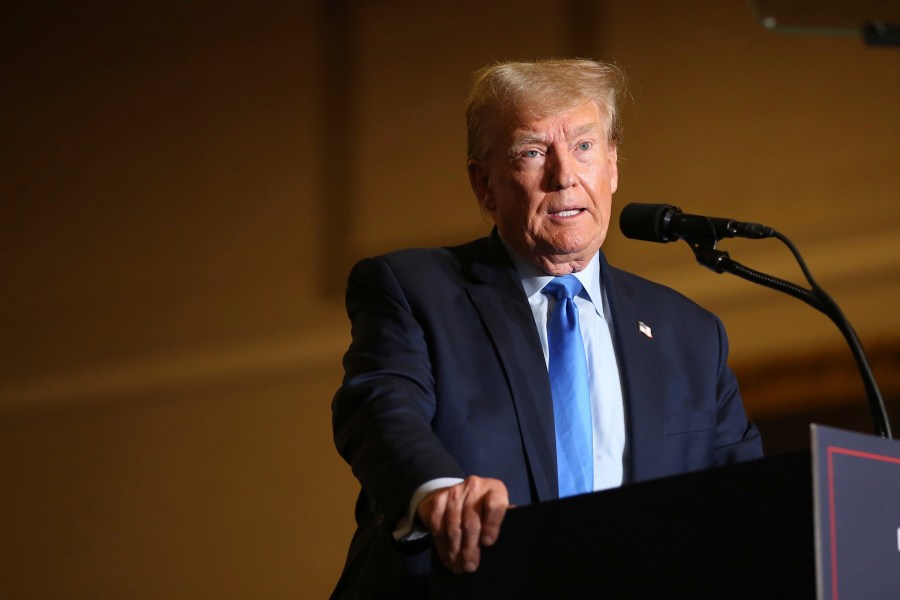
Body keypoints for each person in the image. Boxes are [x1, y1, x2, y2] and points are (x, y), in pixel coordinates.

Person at [330, 58, 763, 599]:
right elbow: (378, 408)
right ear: (483, 184)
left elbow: (746, 501)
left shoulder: (690, 335)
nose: (564, 176)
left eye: (584, 147)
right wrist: (438, 492)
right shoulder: (414, 289)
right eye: (533, 152)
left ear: (612, 166)